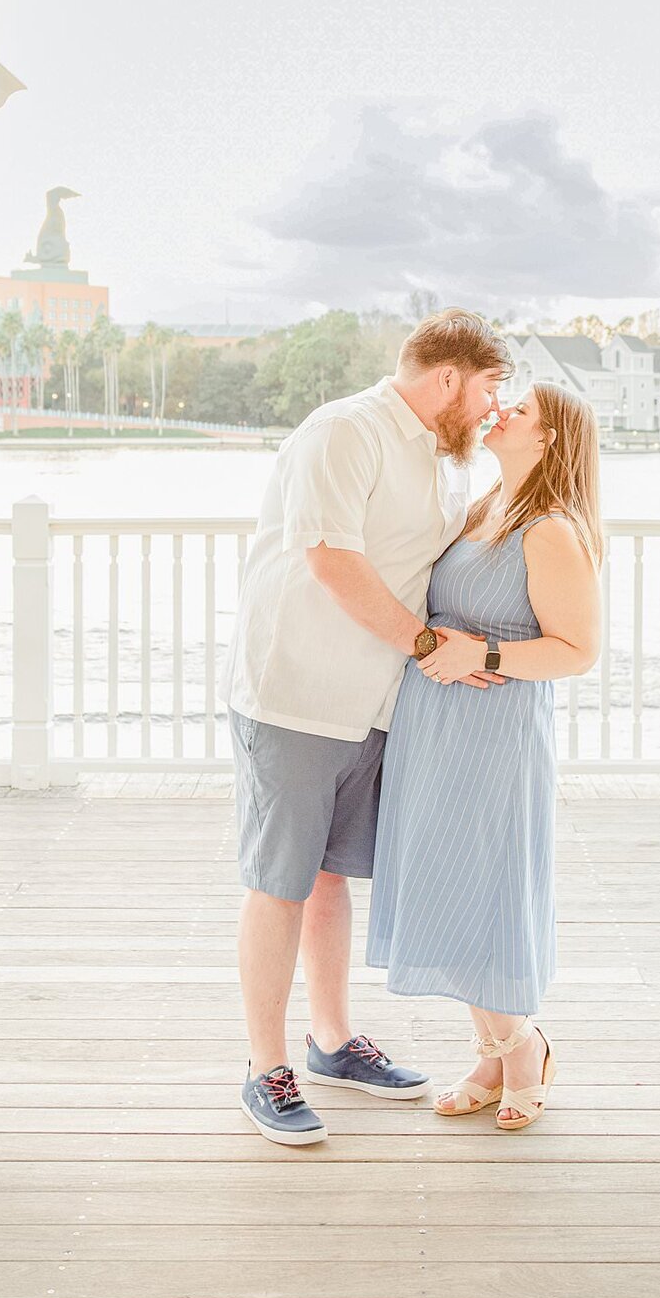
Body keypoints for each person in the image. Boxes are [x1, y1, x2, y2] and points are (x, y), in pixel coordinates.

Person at [221, 309, 513, 1146]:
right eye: (489, 387)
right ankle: (263, 1065)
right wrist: (426, 644)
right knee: (279, 878)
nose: (493, 406)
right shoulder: (344, 431)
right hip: (295, 695)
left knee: (326, 878)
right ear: (448, 377)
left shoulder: (438, 456)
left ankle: (333, 1041)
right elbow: (332, 559)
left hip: (374, 702)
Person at [366, 383, 603, 1131]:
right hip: (435, 728)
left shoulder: (550, 530)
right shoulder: (481, 508)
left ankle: (521, 1045)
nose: (500, 413)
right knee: (449, 882)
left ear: (551, 439)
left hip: (495, 735)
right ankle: (494, 1052)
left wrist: (484, 649)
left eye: (520, 410)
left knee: (488, 886)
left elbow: (578, 652)